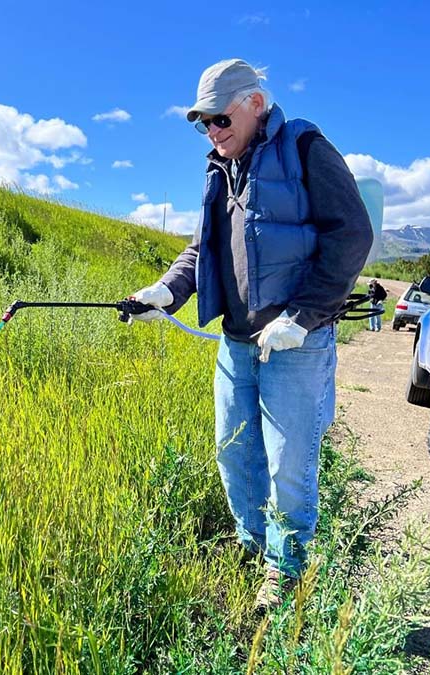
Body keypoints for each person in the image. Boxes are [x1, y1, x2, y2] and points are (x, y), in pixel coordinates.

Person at [129, 59, 373, 612]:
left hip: (296, 343)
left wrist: (304, 316)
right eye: (202, 124)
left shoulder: (305, 147)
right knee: (234, 455)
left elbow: (353, 233)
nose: (213, 132)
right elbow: (201, 250)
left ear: (255, 104)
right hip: (237, 344)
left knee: (289, 466)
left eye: (219, 118)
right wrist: (165, 292)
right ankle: (255, 551)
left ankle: (286, 575)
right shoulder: (219, 170)